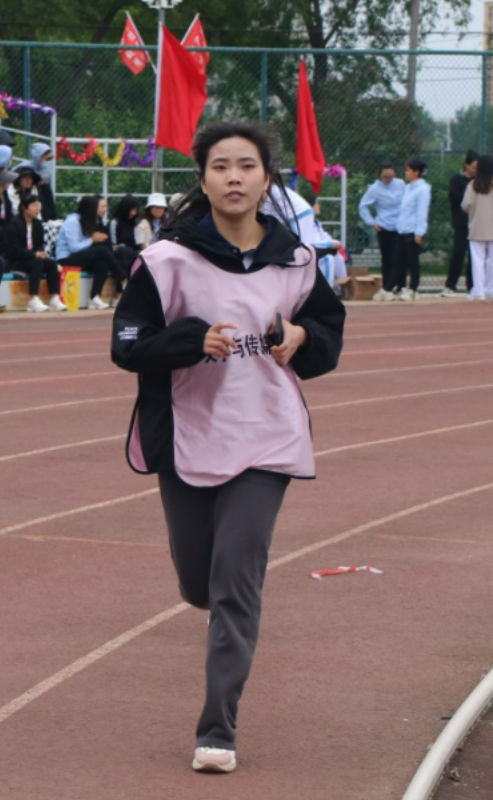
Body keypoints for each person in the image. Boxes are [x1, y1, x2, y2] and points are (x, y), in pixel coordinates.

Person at [111, 121, 345, 774]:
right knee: (200, 583)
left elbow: (327, 327)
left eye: (247, 165)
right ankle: (217, 604)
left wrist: (302, 337)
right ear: (204, 178)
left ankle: (218, 730)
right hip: (189, 437)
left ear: (267, 179)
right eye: (221, 166)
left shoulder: (297, 261)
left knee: (236, 583)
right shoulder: (166, 261)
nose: (234, 177)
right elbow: (127, 345)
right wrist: (193, 341)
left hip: (267, 438)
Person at [56, 195, 127, 309]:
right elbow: (74, 248)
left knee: (102, 263)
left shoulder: (86, 221)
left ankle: (94, 298)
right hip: (65, 259)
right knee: (102, 250)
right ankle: (123, 278)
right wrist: (92, 240)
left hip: (78, 257)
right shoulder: (73, 221)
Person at [3, 195, 67, 312]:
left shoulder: (37, 224)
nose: (37, 208)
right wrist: (34, 254)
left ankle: (54, 297)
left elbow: (38, 245)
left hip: (31, 258)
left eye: (38, 205)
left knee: (51, 264)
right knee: (37, 262)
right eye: (33, 205)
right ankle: (33, 299)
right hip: (15, 260)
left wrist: (41, 253)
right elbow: (13, 249)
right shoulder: (14, 223)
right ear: (24, 207)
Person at [462, 154, 493, 302]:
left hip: (477, 227)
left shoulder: (473, 185)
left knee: (478, 261)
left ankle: (479, 292)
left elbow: (465, 205)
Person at [384, 157, 431, 301]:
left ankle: (413, 289)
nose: (406, 173)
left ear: (417, 172)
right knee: (397, 260)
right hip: (402, 230)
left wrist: (419, 232)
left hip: (413, 231)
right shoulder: (408, 187)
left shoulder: (423, 189)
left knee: (412, 261)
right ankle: (388, 289)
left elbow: (421, 212)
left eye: (408, 170)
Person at [358, 163, 405, 301]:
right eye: (385, 176)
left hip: (401, 226)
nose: (388, 179)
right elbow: (363, 206)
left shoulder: (400, 184)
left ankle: (401, 286)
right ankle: (387, 287)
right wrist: (372, 222)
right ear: (380, 175)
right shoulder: (374, 189)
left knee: (401, 258)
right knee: (388, 258)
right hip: (385, 227)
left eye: (391, 176)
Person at [442, 150, 478, 297]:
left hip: (476, 222)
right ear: (466, 165)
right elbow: (454, 199)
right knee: (458, 253)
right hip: (461, 222)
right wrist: (468, 189)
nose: (475, 170)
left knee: (474, 255)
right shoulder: (457, 180)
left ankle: (472, 286)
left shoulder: (479, 181)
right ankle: (450, 285)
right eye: (474, 167)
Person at [109, 194, 141, 275]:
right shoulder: (115, 222)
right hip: (120, 254)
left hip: (132, 252)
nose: (133, 213)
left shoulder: (134, 223)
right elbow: (113, 244)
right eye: (131, 210)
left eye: (135, 210)